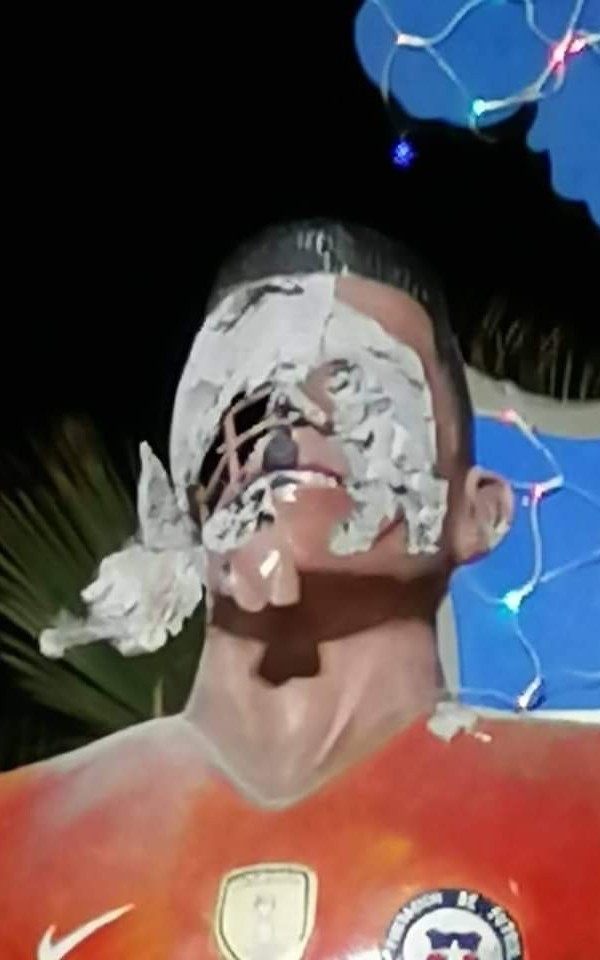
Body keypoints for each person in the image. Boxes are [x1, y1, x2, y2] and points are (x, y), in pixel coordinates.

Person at [0, 221, 598, 960]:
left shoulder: (585, 810)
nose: (283, 421)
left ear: (478, 514)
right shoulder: (16, 839)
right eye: (241, 394)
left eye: (355, 385)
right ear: (178, 505)